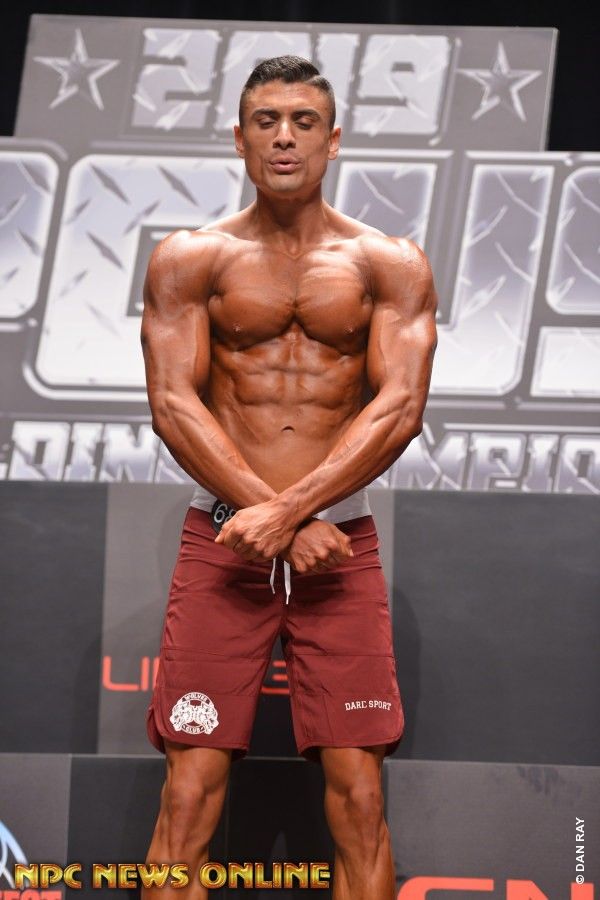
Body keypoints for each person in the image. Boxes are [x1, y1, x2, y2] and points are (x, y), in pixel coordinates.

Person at [141, 55, 437, 900]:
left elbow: (400, 408)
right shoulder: (191, 257)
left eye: (303, 122)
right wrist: (274, 518)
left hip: (336, 548)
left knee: (360, 799)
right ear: (238, 139)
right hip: (225, 541)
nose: (284, 137)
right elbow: (173, 404)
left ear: (332, 140)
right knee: (188, 795)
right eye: (266, 121)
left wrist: (294, 514)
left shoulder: (389, 262)